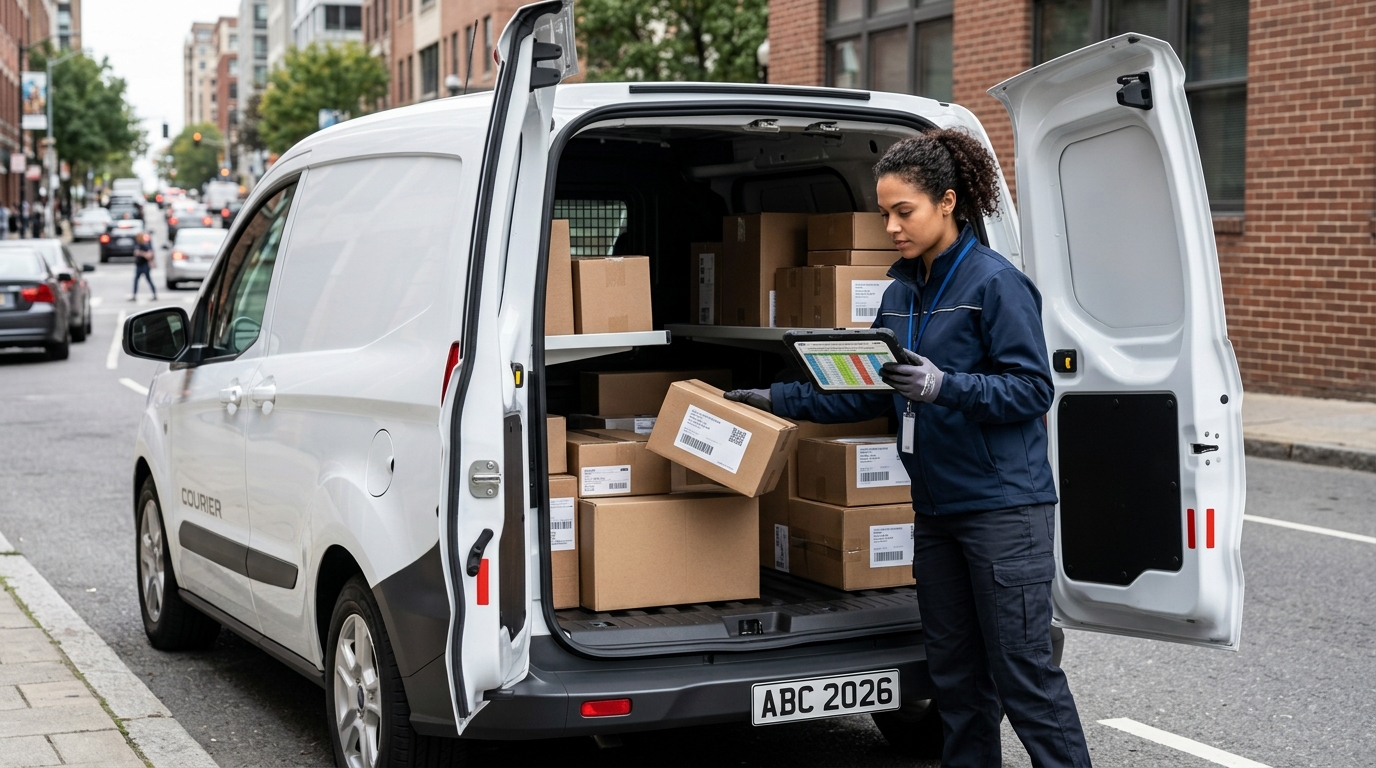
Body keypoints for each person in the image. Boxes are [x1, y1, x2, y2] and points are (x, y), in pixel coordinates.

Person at [725, 130, 1091, 767]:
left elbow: (1033, 390)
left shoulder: (996, 284)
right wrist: (773, 399)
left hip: (1005, 512)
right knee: (956, 681)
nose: (891, 226)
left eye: (904, 212)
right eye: (884, 213)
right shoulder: (897, 296)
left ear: (947, 202)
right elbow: (861, 391)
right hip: (936, 512)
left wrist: (945, 386)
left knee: (1023, 678)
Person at [130, 232, 157, 301]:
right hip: (138, 265)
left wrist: (140, 253)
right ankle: (134, 295)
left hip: (145, 265)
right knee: (136, 280)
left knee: (149, 280)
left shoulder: (146, 245)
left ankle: (154, 294)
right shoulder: (137, 245)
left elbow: (149, 255)